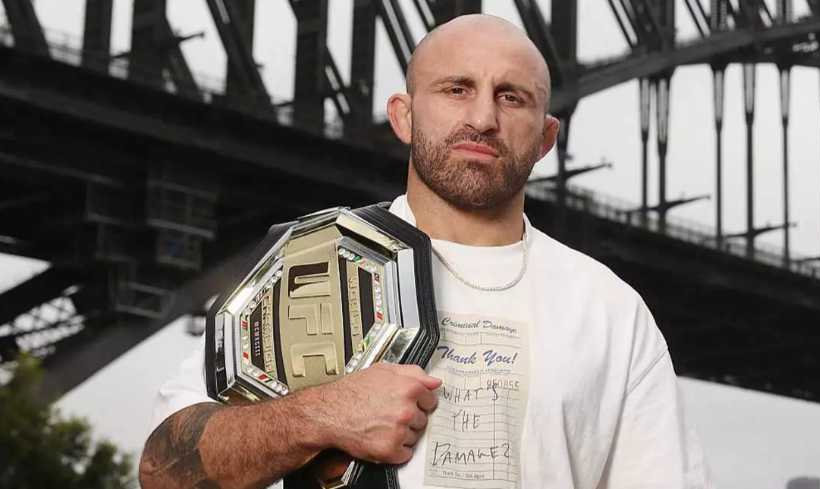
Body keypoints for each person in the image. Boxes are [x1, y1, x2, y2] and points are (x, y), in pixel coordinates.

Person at [139, 14, 709, 489]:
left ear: (545, 138)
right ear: (404, 117)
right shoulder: (308, 267)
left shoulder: (610, 310)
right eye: (456, 89)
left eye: (511, 97)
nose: (483, 118)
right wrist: (321, 415)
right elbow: (164, 472)